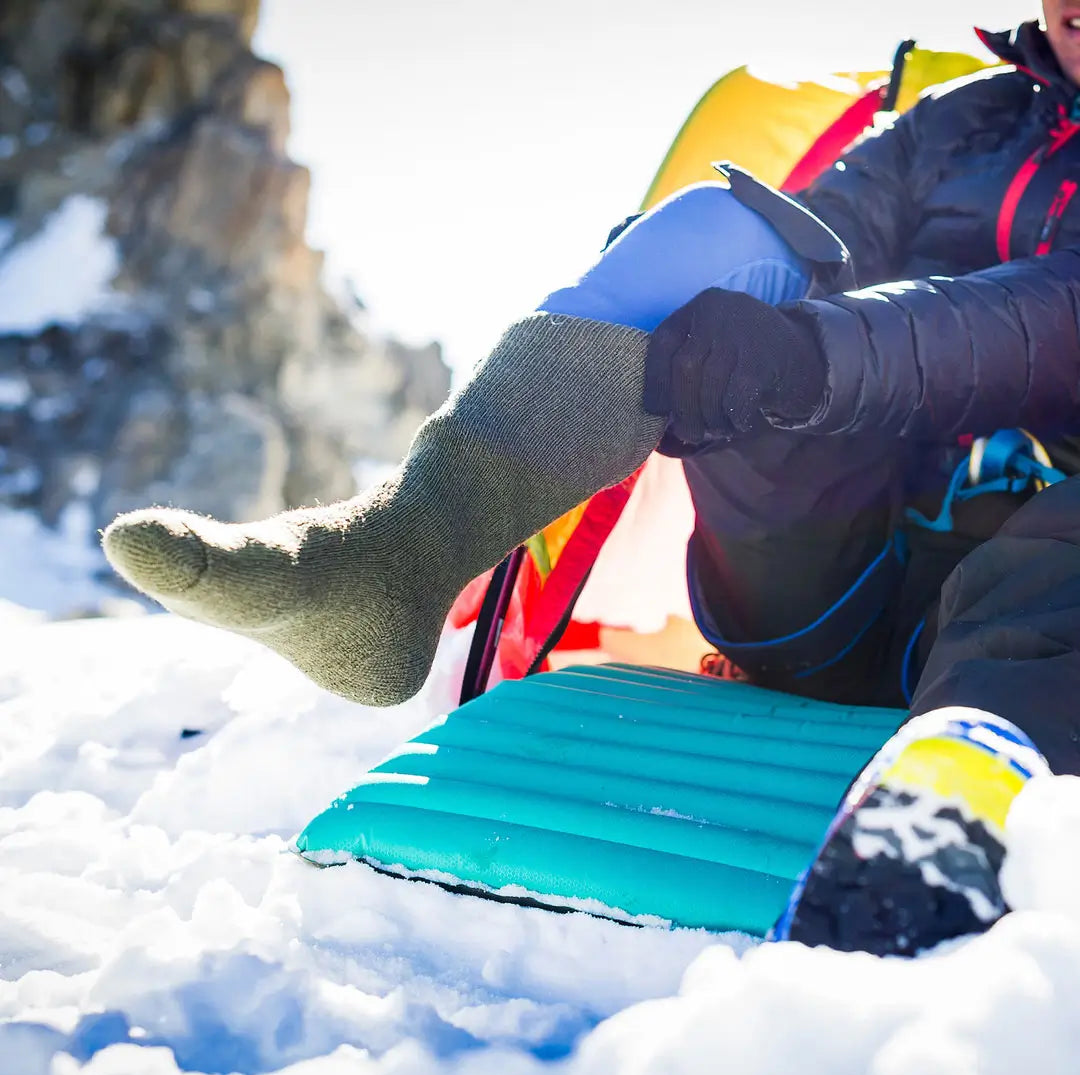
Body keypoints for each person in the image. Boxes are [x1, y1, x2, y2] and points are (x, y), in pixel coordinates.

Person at [103, 10, 1080, 956]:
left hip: (1036, 655)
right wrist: (685, 306)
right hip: (839, 604)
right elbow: (820, 239)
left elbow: (1050, 318)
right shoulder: (965, 119)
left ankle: (952, 815)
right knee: (719, 239)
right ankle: (399, 552)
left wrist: (809, 356)